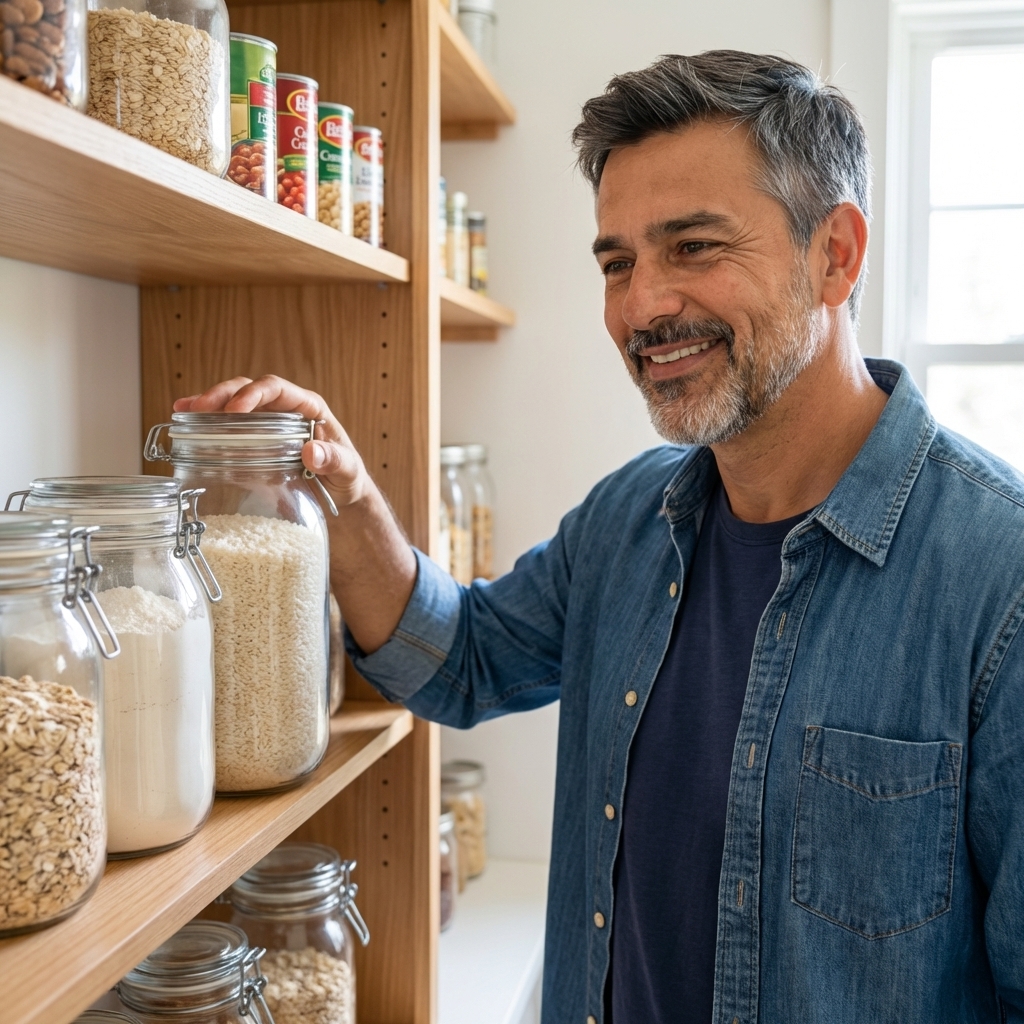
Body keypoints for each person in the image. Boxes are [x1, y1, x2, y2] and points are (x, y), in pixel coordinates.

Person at [176, 51, 1024, 1024]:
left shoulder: (997, 576)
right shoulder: (630, 521)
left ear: (835, 253)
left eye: (693, 247)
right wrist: (348, 491)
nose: (640, 306)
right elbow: (460, 660)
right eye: (616, 261)